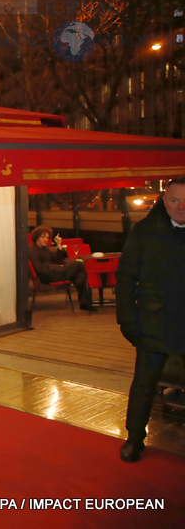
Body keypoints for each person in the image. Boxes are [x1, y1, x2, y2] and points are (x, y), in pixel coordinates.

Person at [115, 177, 185, 463]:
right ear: (164, 200)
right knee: (144, 383)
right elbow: (125, 278)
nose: (182, 206)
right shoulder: (144, 231)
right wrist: (127, 321)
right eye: (175, 200)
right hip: (153, 323)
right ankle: (134, 438)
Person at [28, 226, 95, 312]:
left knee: (79, 275)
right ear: (36, 237)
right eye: (43, 237)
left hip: (55, 273)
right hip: (48, 276)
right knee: (79, 264)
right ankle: (86, 299)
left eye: (47, 237)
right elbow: (41, 269)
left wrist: (59, 244)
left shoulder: (44, 248)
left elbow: (57, 258)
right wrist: (59, 267)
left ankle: (85, 304)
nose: (46, 239)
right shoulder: (33, 251)